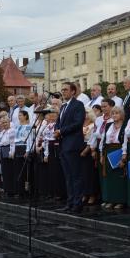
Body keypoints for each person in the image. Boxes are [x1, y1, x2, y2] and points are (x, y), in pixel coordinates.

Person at [55, 82, 86, 213]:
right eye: (62, 90)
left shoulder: (78, 105)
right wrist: (57, 130)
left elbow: (78, 123)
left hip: (73, 144)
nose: (63, 92)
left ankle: (77, 203)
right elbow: (58, 123)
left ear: (73, 91)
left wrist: (61, 131)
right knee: (68, 176)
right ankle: (70, 202)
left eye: (66, 90)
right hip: (63, 145)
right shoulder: (63, 107)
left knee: (75, 175)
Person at [99, 106, 126, 209]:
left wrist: (123, 155)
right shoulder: (108, 125)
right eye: (113, 113)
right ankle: (109, 199)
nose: (114, 115)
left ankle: (119, 200)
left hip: (118, 150)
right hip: (108, 150)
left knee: (118, 177)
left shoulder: (124, 125)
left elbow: (125, 140)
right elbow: (103, 139)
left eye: (117, 113)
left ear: (122, 115)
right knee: (108, 176)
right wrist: (102, 154)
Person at [43, 110, 66, 200]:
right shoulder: (47, 126)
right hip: (50, 146)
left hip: (57, 146)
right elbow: (45, 140)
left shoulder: (59, 125)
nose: (52, 116)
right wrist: (46, 154)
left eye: (54, 115)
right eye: (50, 115)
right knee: (51, 170)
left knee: (58, 170)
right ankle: (52, 191)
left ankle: (60, 192)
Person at [79, 108, 98, 205]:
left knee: (89, 173)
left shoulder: (94, 124)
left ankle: (92, 195)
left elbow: (92, 138)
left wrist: (86, 150)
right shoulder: (80, 124)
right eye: (84, 112)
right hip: (79, 147)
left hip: (88, 148)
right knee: (82, 173)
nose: (85, 114)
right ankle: (84, 193)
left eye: (87, 112)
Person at [14, 110, 32, 196]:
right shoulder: (17, 127)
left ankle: (26, 190)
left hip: (24, 147)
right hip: (17, 147)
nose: (19, 117)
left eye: (21, 115)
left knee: (24, 170)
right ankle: (19, 190)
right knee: (18, 170)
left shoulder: (28, 127)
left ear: (25, 116)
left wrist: (28, 150)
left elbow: (29, 139)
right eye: (18, 115)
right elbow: (15, 139)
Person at [0, 116, 16, 196]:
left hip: (8, 150)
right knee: (4, 171)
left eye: (6, 122)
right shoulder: (2, 132)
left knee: (9, 170)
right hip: (2, 150)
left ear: (9, 123)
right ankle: (7, 188)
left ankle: (11, 189)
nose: (4, 124)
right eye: (3, 123)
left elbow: (12, 142)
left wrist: (12, 152)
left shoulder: (11, 131)